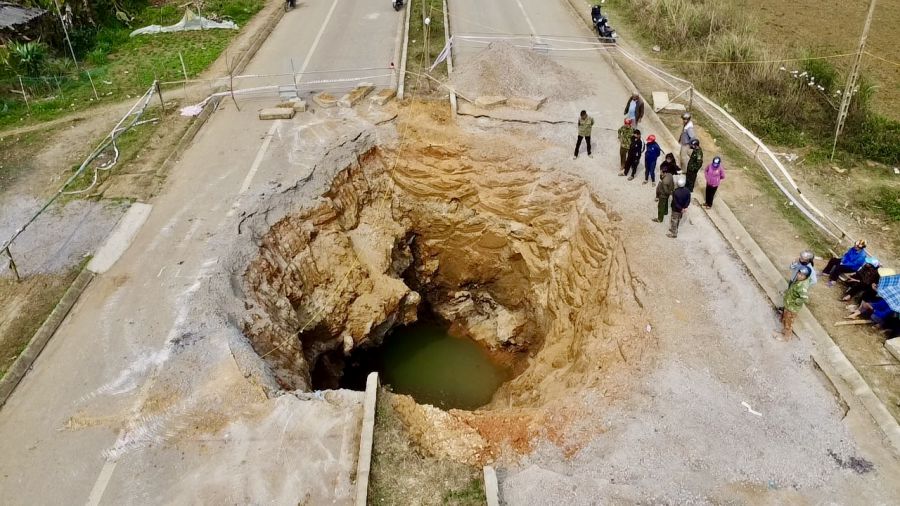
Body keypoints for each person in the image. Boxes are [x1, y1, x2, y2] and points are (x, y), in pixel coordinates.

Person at [775, 265, 811, 341]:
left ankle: (786, 337)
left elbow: (805, 299)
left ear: (806, 277)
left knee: (788, 323)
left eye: (802, 275)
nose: (799, 276)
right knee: (785, 320)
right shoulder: (798, 281)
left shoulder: (802, 286)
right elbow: (792, 290)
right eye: (799, 273)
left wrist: (795, 302)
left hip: (792, 308)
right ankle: (784, 332)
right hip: (788, 306)